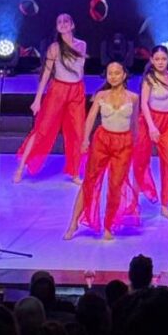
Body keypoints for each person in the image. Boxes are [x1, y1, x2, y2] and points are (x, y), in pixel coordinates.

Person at [64, 62, 140, 240]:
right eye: (109, 73)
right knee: (89, 182)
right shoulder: (101, 95)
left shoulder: (133, 97)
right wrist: (85, 139)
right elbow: (90, 118)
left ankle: (108, 226)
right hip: (102, 141)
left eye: (117, 73)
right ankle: (73, 222)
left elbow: (135, 123)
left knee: (115, 185)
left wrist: (135, 145)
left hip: (124, 144)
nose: (113, 76)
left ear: (124, 75)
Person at [14, 12, 87, 183]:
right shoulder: (54, 48)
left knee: (77, 131)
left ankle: (75, 172)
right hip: (58, 90)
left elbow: (79, 69)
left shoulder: (82, 45)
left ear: (72, 25)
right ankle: (21, 167)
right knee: (42, 129)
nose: (63, 24)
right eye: (59, 22)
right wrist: (37, 99)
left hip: (76, 91)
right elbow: (46, 74)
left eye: (66, 21)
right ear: (57, 27)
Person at [132, 45, 168, 219]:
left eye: (164, 59)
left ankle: (165, 205)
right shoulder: (149, 79)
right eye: (157, 59)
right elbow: (144, 104)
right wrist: (152, 127)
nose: (160, 62)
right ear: (152, 60)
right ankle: (133, 202)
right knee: (141, 161)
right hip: (149, 121)